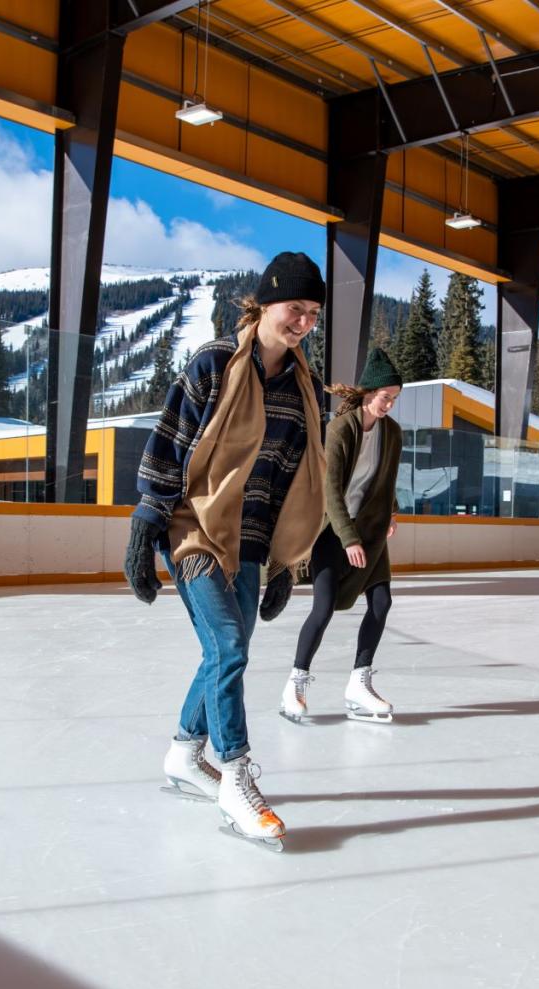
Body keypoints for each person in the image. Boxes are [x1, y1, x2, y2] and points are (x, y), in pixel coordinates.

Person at [123, 252, 327, 851]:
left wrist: (291, 560)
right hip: (193, 528)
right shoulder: (213, 364)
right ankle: (236, 774)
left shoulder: (307, 390)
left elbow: (296, 479)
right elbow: (170, 442)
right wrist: (144, 526)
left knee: (223, 652)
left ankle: (185, 754)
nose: (304, 323)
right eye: (296, 309)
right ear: (265, 303)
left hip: (252, 541)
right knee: (230, 646)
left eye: (314, 314)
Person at [280, 347, 403, 725]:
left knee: (381, 603)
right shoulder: (340, 429)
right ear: (368, 394)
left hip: (370, 528)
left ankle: (359, 684)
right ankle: (295, 684)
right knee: (324, 606)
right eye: (385, 398)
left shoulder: (392, 433)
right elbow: (331, 490)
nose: (389, 406)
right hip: (332, 530)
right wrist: (348, 538)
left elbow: (385, 480)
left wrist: (391, 512)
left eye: (394, 400)